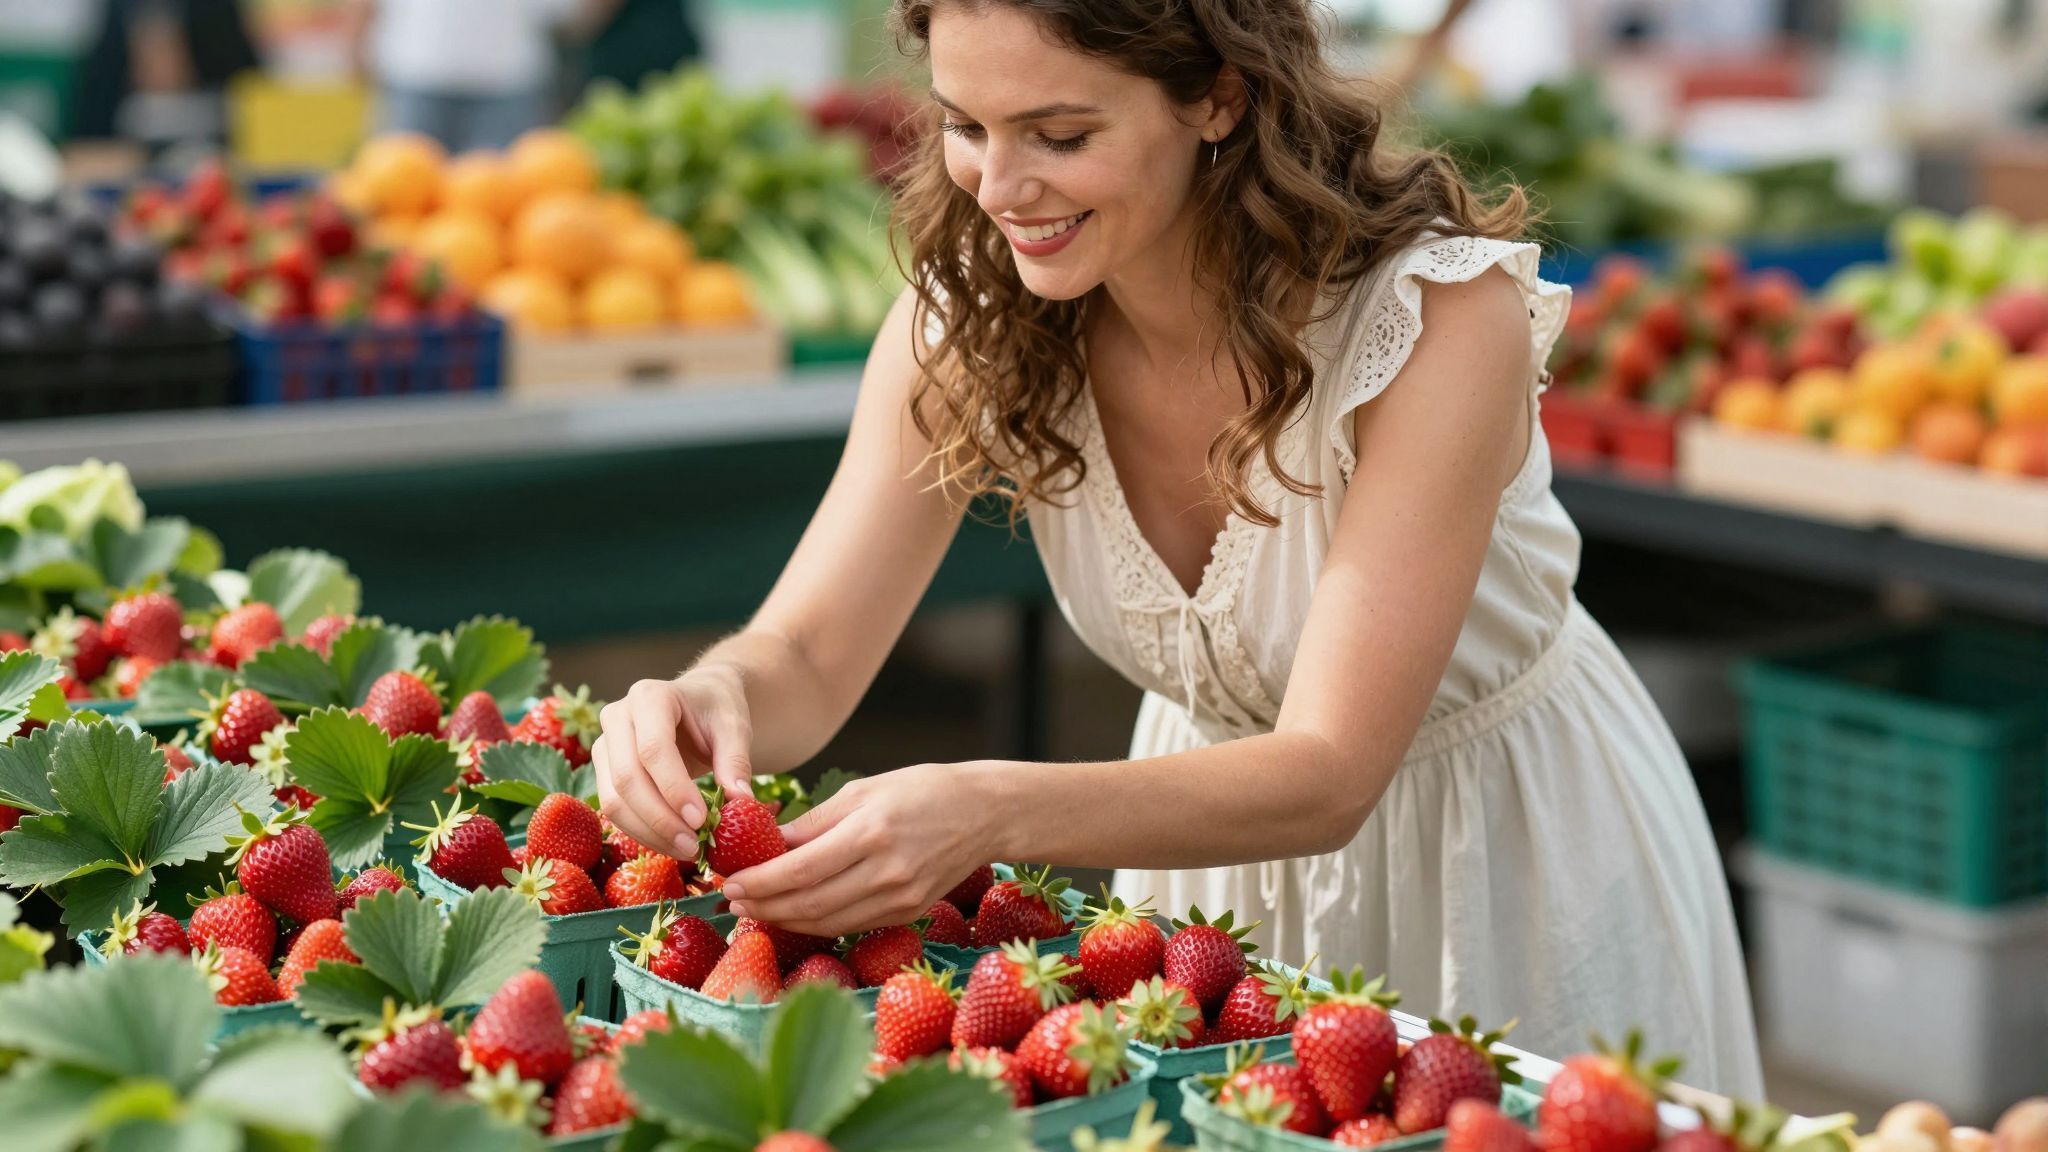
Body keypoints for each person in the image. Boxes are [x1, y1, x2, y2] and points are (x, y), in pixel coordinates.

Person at [593, 0, 1764, 1095]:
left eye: (1057, 132)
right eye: (965, 126)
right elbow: (804, 652)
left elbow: (1325, 773)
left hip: (1509, 864)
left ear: (1219, 95)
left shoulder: (1436, 319)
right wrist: (707, 700)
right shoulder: (969, 315)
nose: (999, 187)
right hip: (1202, 877)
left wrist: (983, 810)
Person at [345, 0, 589, 152]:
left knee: (497, 201)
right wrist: (356, 39)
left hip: (505, 79)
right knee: (398, 193)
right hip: (421, 71)